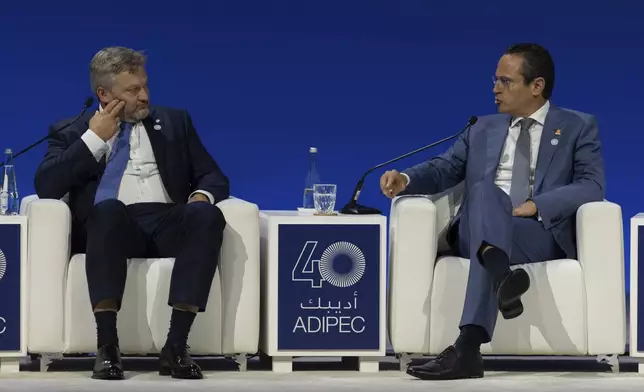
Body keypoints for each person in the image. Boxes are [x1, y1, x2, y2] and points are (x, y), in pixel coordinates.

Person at [380, 43, 605, 380]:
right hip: (474, 225)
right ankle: (490, 302)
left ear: (537, 86)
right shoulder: (481, 128)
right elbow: (444, 168)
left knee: (491, 236)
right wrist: (406, 178)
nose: (495, 89)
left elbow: (591, 185)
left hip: (532, 232)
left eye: (505, 81)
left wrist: (536, 206)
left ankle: (473, 336)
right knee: (485, 192)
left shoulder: (577, 126)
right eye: (494, 80)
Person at [34, 46, 229, 380]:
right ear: (104, 94)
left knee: (208, 216)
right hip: (113, 226)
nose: (144, 96)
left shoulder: (173, 122)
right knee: (108, 210)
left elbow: (213, 176)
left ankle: (177, 346)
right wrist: (94, 139)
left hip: (168, 220)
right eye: (133, 90)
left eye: (145, 86)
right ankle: (107, 347)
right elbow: (47, 185)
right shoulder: (70, 130)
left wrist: (199, 196)